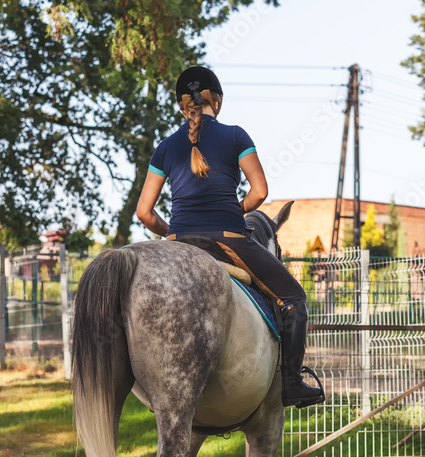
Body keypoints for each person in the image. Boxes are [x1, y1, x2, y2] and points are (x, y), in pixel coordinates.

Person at [135, 65, 324, 409]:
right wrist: (235, 210)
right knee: (294, 298)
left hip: (178, 240)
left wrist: (172, 233)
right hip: (229, 238)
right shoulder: (236, 136)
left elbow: (144, 213)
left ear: (181, 106)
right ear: (216, 102)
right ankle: (293, 383)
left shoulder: (165, 147)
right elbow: (260, 191)